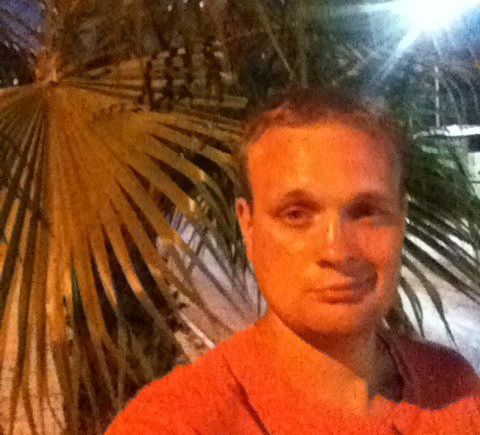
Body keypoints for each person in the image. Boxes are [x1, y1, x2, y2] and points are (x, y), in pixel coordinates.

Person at [105, 87, 480, 434]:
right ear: (248, 226)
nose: (337, 251)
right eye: (296, 214)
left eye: (366, 211)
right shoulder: (175, 424)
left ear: (401, 218)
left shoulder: (454, 391)